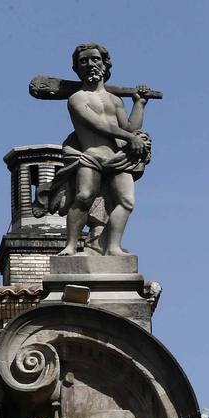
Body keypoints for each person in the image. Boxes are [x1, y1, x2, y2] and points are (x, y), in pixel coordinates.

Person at [37, 44, 153, 258]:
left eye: (95, 59)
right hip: (90, 156)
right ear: (76, 68)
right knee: (84, 196)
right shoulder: (76, 98)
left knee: (127, 201)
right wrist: (130, 138)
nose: (90, 64)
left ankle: (112, 247)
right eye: (84, 61)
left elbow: (129, 128)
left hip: (117, 158)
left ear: (104, 64)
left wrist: (139, 104)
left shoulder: (115, 100)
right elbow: (97, 124)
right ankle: (71, 245)